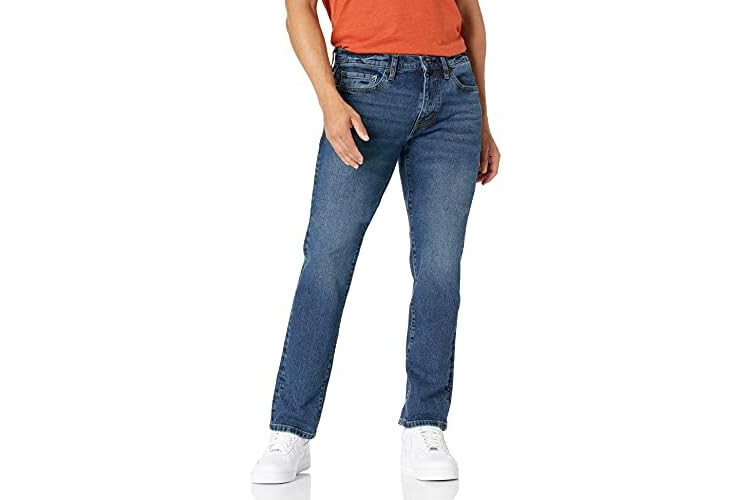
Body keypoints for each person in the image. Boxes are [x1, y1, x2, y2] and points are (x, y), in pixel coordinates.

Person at [251, 0, 500, 484]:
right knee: (326, 261)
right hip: (365, 90)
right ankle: (291, 429)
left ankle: (425, 422)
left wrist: (484, 121)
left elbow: (469, 15)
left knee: (440, 266)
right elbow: (298, 10)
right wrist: (328, 99)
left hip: (454, 95)